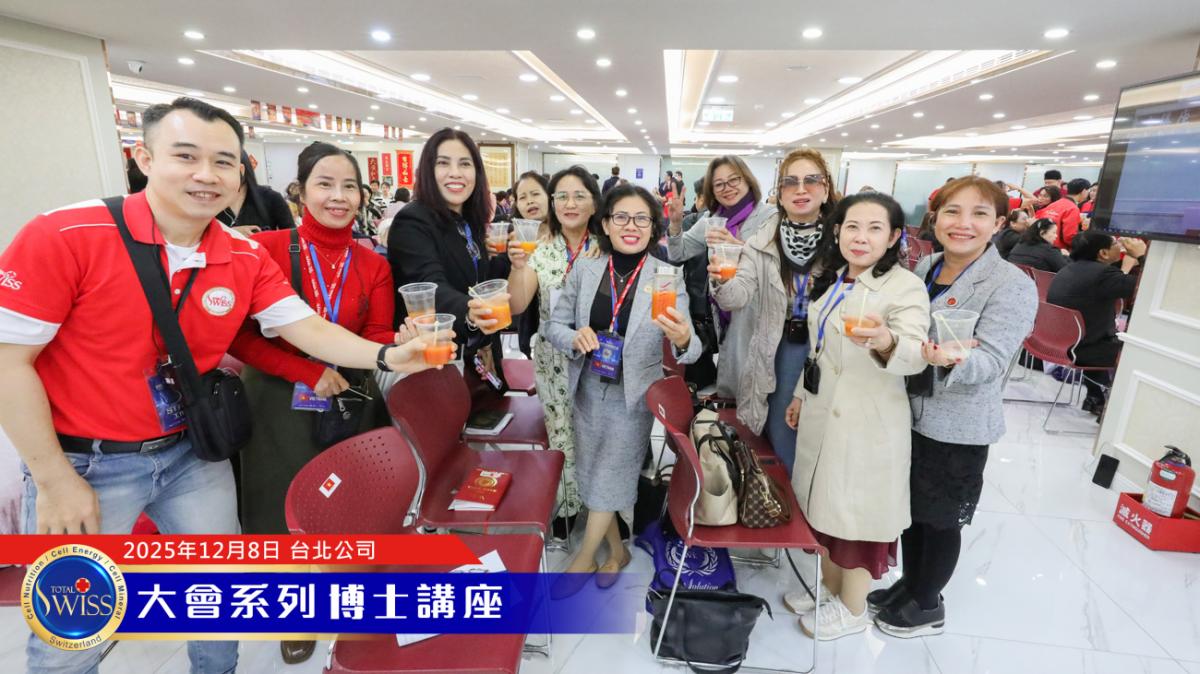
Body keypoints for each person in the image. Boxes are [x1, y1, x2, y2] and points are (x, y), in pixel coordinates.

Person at [0, 97, 442, 674]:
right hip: (88, 462)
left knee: (218, 593)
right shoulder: (66, 234)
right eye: (186, 156)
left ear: (241, 175)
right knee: (73, 629)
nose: (206, 175)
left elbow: (306, 327)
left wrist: (388, 354)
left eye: (224, 162)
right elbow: (9, 362)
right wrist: (54, 479)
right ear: (144, 159)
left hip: (193, 449)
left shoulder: (241, 254)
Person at [228, 141, 396, 664]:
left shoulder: (372, 263)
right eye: (325, 184)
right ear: (300, 192)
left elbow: (377, 335)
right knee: (277, 504)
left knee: (352, 496)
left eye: (349, 186)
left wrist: (399, 343)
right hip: (277, 396)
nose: (338, 196)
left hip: (350, 393)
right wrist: (306, 370)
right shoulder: (265, 250)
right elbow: (239, 337)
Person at [870, 176, 1036, 639]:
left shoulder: (1010, 285)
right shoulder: (927, 266)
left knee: (940, 519)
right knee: (911, 509)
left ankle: (927, 604)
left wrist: (951, 359)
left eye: (979, 214)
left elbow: (993, 360)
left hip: (957, 423)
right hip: (910, 412)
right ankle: (911, 584)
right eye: (952, 212)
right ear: (936, 218)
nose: (963, 223)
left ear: (999, 223)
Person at [781, 192, 931, 639]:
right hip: (823, 410)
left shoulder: (904, 287)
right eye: (852, 226)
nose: (861, 237)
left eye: (874, 228)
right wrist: (799, 394)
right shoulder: (835, 279)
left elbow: (915, 353)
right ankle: (830, 588)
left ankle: (853, 608)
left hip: (868, 423)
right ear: (837, 231)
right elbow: (819, 350)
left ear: (894, 237)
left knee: (858, 517)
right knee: (825, 507)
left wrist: (886, 342)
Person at [542, 183, 701, 589]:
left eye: (642, 218)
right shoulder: (586, 270)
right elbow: (553, 325)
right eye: (622, 217)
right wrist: (574, 336)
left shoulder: (667, 277)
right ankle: (617, 552)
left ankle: (583, 560)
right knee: (594, 473)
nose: (632, 226)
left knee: (611, 473)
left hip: (634, 396)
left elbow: (693, 347)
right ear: (607, 225)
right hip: (587, 386)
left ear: (653, 228)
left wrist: (683, 338)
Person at [711, 148, 837, 473]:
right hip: (780, 348)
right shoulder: (762, 242)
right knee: (783, 434)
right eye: (790, 182)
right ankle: (786, 497)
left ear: (826, 190)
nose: (800, 189)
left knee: (825, 443)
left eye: (811, 180)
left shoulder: (843, 241)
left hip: (833, 354)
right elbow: (737, 297)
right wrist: (722, 280)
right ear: (779, 194)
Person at [506, 166, 599, 541]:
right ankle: (566, 508)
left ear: (595, 203)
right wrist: (518, 267)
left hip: (601, 361)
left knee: (598, 433)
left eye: (579, 195)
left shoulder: (608, 246)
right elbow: (517, 304)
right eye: (562, 196)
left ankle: (604, 511)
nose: (570, 203)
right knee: (561, 432)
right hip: (554, 360)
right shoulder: (540, 250)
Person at [389, 128, 511, 403]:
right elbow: (430, 286)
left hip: (474, 353)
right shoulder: (413, 221)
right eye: (443, 163)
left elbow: (478, 281)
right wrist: (472, 312)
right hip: (434, 358)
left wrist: (509, 260)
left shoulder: (469, 220)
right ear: (428, 171)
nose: (455, 173)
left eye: (465, 164)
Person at [666, 155, 771, 398]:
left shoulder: (768, 217)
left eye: (734, 180)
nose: (727, 188)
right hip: (724, 312)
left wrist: (738, 246)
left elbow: (774, 266)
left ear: (747, 180)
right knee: (731, 382)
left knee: (757, 384)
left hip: (757, 310)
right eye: (719, 184)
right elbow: (679, 252)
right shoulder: (711, 220)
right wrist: (675, 223)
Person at [1047, 230, 1147, 413]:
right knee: (1140, 351)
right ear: (1103, 253)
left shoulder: (1068, 269)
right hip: (1083, 350)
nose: (1121, 247)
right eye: (1115, 243)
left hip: (1056, 343)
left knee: (1102, 337)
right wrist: (1142, 256)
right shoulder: (1103, 274)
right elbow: (1147, 285)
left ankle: (1095, 398)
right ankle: (1115, 409)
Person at [509, 171, 552, 359]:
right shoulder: (513, 240)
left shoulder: (567, 234)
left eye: (535, 194)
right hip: (534, 328)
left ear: (549, 197)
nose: (529, 201)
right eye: (522, 197)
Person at [215, 150, 295, 235]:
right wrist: (231, 233)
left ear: (242, 169)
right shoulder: (212, 201)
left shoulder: (271, 198)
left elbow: (293, 237)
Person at [1033, 184, 1081, 251]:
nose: (1040, 198)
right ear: (1084, 191)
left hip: (1042, 247)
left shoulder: (1050, 207)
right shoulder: (1072, 208)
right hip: (1056, 249)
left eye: (1045, 196)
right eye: (1040, 195)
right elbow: (1069, 237)